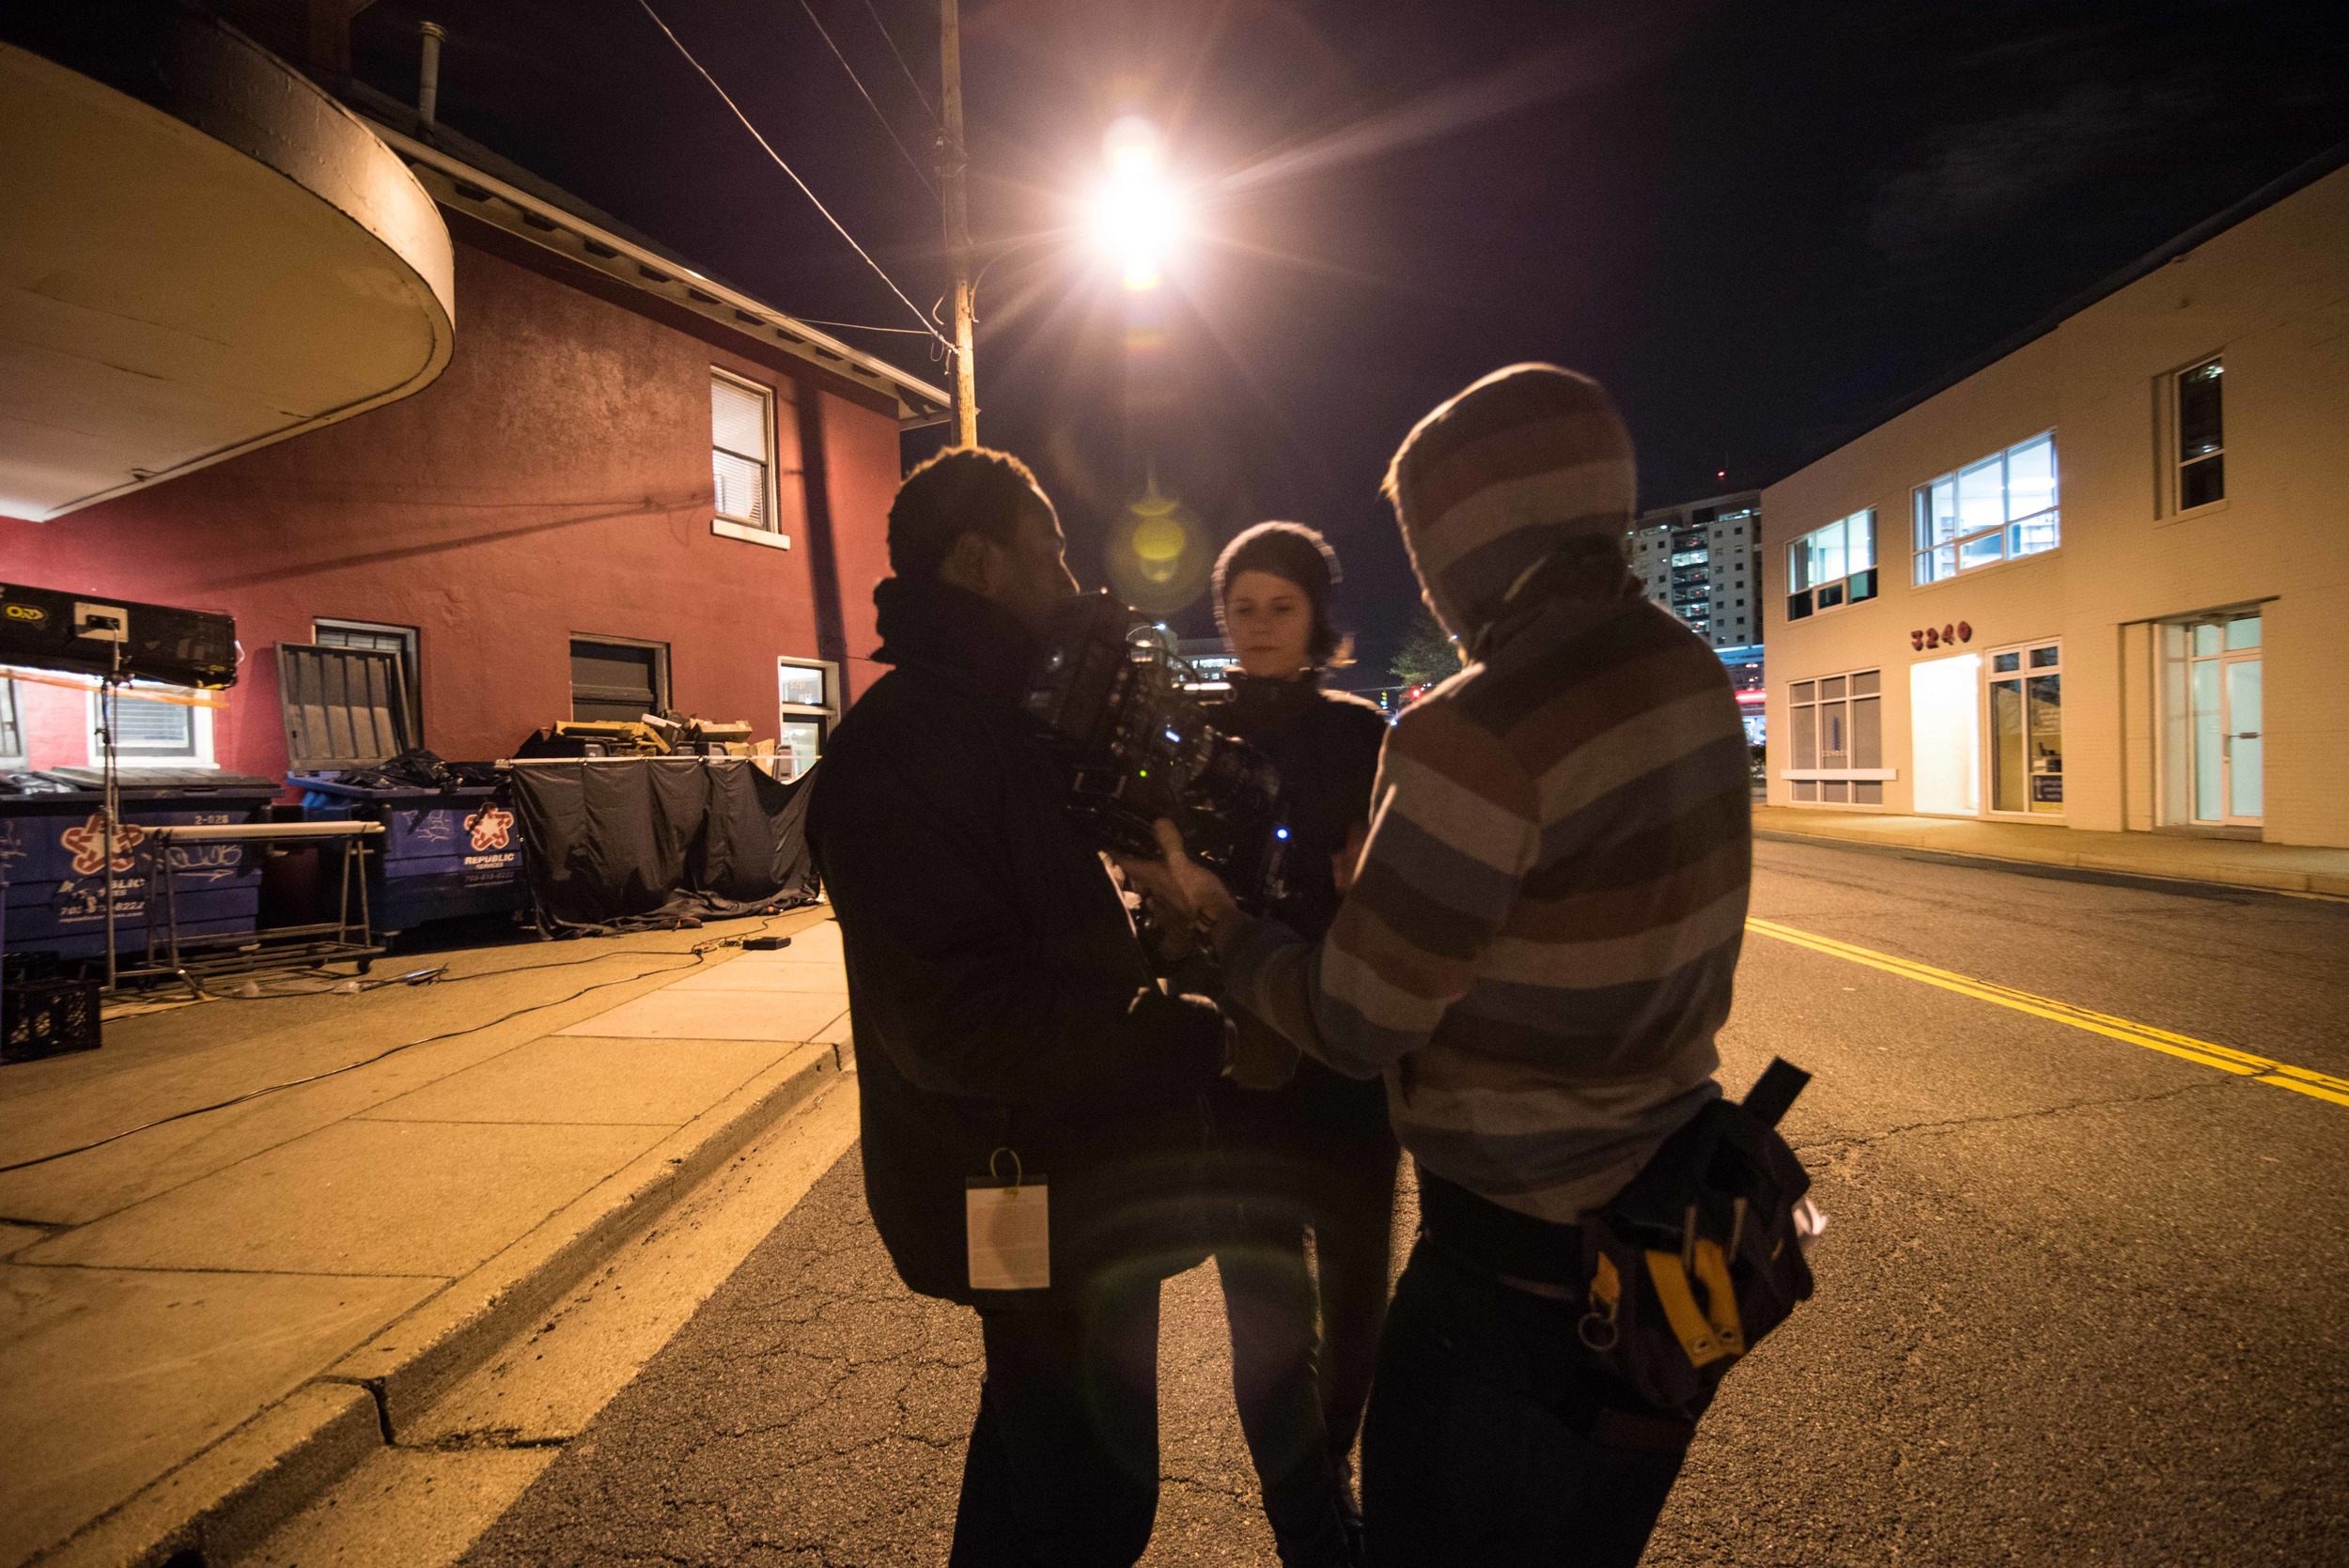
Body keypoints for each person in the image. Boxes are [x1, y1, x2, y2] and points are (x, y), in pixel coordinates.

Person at [1123, 365, 1750, 1567]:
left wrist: (1219, 927)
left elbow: (1357, 1023)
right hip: (1672, 1245)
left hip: (1510, 1278)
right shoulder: (1687, 675)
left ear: (1469, 537)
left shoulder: (1469, 729)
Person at [807, 446, 1230, 1568]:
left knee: (1043, 1471)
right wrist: (1172, 1036)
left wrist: (1145, 926)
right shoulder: (908, 745)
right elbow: (955, 1017)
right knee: (1085, 1502)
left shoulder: (996, 724)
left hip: (1068, 1180)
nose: (1071, 578)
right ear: (979, 560)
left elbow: (1040, 929)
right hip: (1027, 1187)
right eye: (1047, 549)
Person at [1201, 523, 1397, 1566]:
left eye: (1281, 606)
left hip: (1349, 1055)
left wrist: (1376, 878)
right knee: (1265, 1320)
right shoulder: (1192, 731)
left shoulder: (1364, 734)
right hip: (1237, 1064)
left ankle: (1327, 1468)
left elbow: (1405, 881)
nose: (1260, 626)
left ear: (1318, 617)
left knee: (1358, 1304)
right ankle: (1314, 1534)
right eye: (1242, 606)